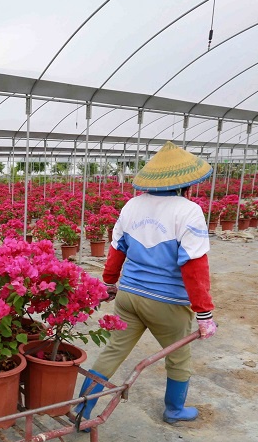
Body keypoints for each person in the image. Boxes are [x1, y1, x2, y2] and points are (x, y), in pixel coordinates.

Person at [80, 142, 217, 425]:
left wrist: (109, 284)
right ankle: (174, 410)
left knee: (113, 351)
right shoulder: (189, 210)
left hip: (128, 296)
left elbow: (116, 249)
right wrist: (204, 314)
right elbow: (194, 266)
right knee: (178, 357)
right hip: (167, 302)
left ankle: (82, 410)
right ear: (186, 182)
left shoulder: (132, 205)